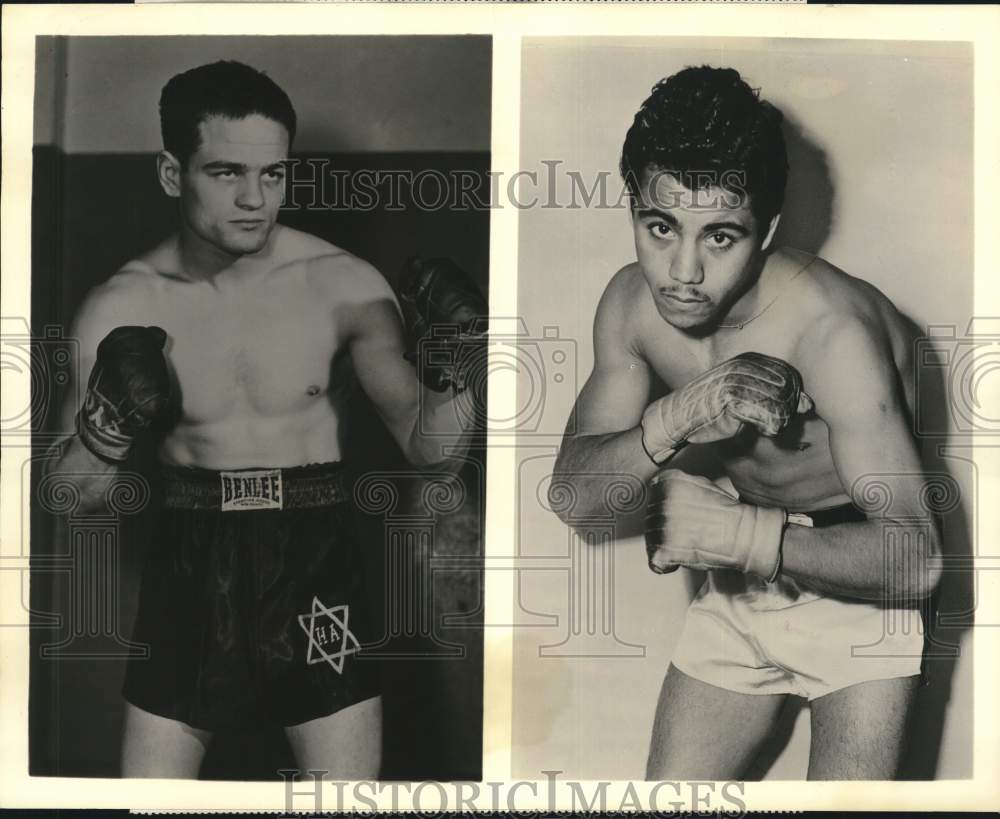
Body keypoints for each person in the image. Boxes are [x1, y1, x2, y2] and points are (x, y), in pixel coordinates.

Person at [48, 60, 486, 779]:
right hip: (188, 559)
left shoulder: (346, 287)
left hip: (316, 555)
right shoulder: (119, 305)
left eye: (274, 174)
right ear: (170, 172)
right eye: (226, 173)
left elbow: (430, 452)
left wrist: (455, 374)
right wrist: (105, 430)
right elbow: (69, 499)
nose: (256, 199)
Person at [551, 66, 942, 780]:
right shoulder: (631, 307)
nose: (684, 271)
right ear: (633, 205)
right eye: (660, 226)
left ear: (768, 231)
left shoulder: (832, 331)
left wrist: (737, 534)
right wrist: (673, 416)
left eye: (721, 235)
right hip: (740, 587)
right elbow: (575, 500)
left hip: (861, 585)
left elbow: (917, 558)